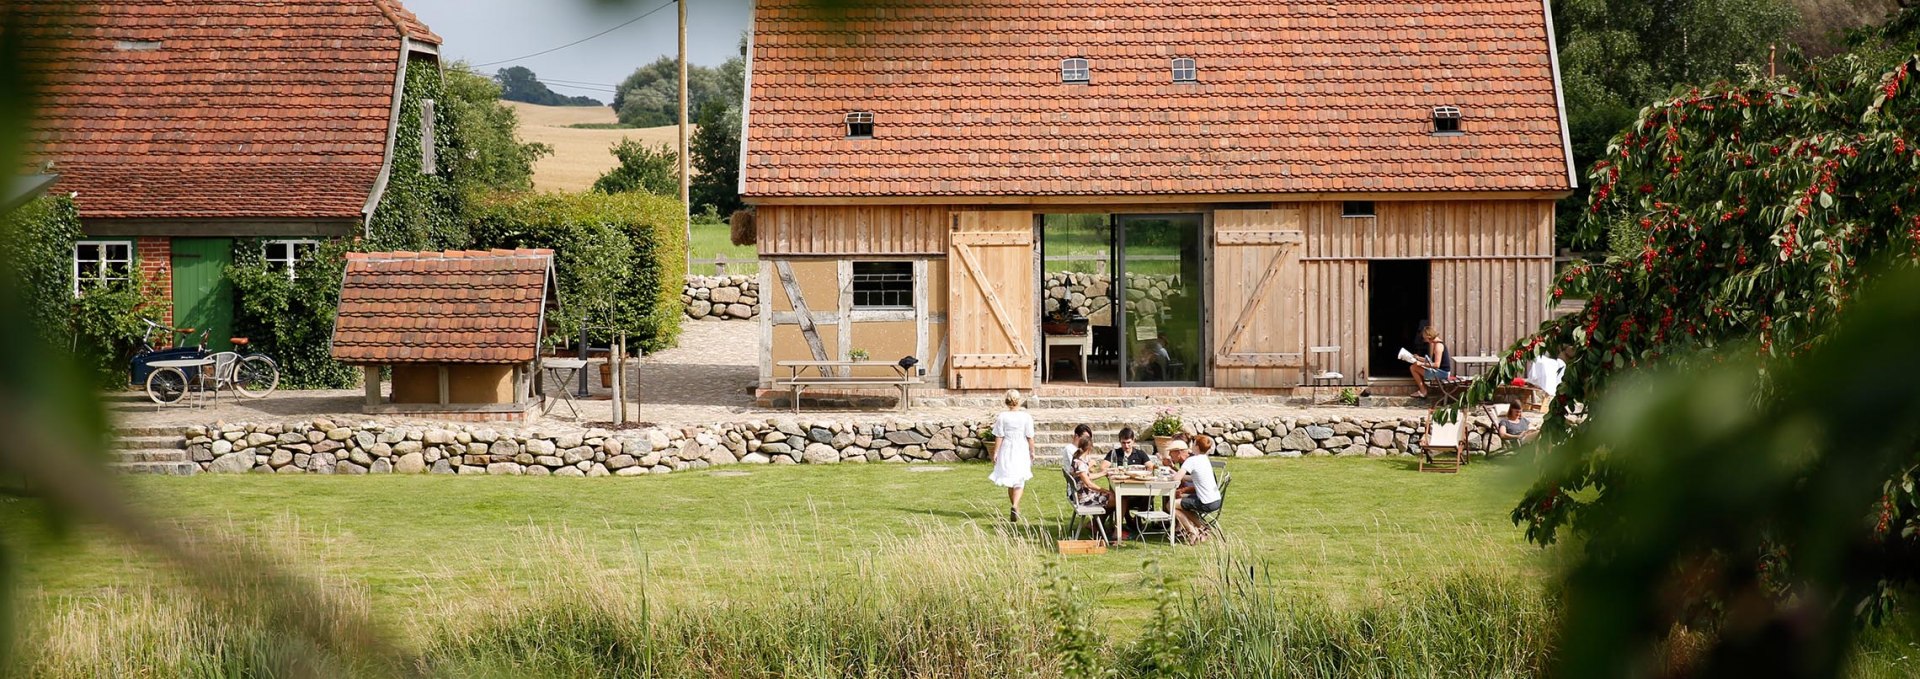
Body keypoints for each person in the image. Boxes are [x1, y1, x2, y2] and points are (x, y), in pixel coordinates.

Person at [988, 389, 1036, 522]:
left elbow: (999, 436)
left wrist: (996, 452)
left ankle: (1015, 506)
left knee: (1010, 478)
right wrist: (1032, 451)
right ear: (1018, 400)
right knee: (1019, 479)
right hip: (1020, 447)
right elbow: (1030, 436)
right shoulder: (1025, 417)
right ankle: (1015, 505)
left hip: (1007, 448)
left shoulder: (1003, 416)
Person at [1166, 439, 1221, 544]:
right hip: (1216, 500)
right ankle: (1203, 528)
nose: (1191, 446)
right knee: (1181, 502)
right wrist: (1175, 472)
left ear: (1197, 447)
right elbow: (1194, 477)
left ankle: (1192, 531)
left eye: (1194, 443)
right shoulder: (1204, 458)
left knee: (1170, 505)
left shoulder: (1191, 460)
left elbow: (1176, 479)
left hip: (1206, 502)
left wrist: (1173, 476)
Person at [1068, 433, 1115, 521]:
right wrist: (1106, 491)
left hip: (1080, 495)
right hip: (1085, 498)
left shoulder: (1076, 460)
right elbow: (1089, 484)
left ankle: (1099, 523)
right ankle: (1097, 523)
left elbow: (1087, 477)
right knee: (1118, 500)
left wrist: (1103, 473)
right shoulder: (1080, 464)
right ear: (1090, 448)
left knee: (1115, 498)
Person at [1409, 326, 1454, 399]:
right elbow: (1431, 361)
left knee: (1413, 367)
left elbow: (1436, 365)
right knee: (1414, 366)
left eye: (1425, 338)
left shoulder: (1438, 346)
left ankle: (1423, 391)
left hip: (1443, 373)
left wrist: (1421, 364)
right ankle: (1423, 390)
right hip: (1440, 371)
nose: (1425, 340)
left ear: (1429, 336)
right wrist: (1418, 358)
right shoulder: (1436, 344)